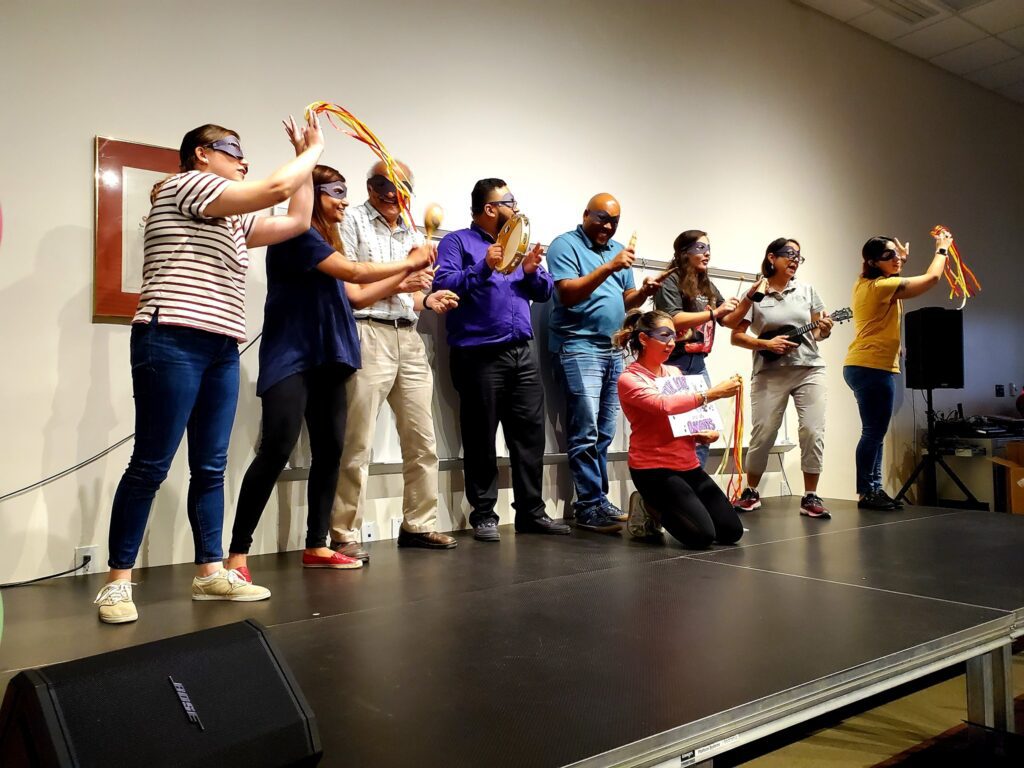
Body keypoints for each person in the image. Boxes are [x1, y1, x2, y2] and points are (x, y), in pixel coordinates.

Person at [94, 114, 325, 624]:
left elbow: (296, 221)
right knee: (152, 463)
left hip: (221, 345)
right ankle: (117, 582)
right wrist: (311, 152)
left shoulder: (232, 214)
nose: (242, 159)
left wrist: (306, 164)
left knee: (211, 465)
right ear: (200, 153)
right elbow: (276, 187)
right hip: (170, 336)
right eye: (230, 149)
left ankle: (210, 572)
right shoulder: (186, 185)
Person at [225, 165, 438, 583]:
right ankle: (236, 554)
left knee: (330, 452)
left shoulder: (329, 240)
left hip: (331, 356)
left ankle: (317, 545)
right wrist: (407, 263)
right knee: (276, 450)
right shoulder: (298, 235)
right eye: (334, 191)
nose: (343, 199)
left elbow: (357, 296)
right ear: (311, 194)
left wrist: (404, 277)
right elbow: (356, 274)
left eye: (344, 191)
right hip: (292, 356)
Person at [329, 160, 460, 559]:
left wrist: (427, 298)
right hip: (366, 331)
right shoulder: (349, 221)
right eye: (381, 183)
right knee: (357, 441)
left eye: (399, 184)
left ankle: (419, 524)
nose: (389, 191)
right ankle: (343, 532)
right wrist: (404, 281)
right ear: (368, 186)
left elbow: (410, 295)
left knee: (422, 440)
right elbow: (352, 280)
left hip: (409, 334)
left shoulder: (413, 230)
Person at [433, 178, 570, 541]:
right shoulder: (457, 241)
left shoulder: (517, 243)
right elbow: (442, 285)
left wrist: (530, 272)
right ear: (491, 208)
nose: (516, 207)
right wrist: (485, 267)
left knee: (529, 436)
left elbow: (542, 292)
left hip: (522, 352)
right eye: (510, 201)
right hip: (478, 354)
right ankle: (483, 515)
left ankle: (531, 512)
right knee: (480, 436)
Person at [545, 193, 660, 532]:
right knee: (586, 429)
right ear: (585, 215)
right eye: (602, 219)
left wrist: (644, 292)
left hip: (613, 348)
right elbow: (567, 293)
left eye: (614, 222)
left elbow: (627, 301)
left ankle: (597, 499)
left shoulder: (617, 248)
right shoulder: (564, 246)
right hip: (577, 346)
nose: (608, 227)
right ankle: (587, 506)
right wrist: (609, 265)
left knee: (605, 432)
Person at [615, 310, 744, 549]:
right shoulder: (629, 379)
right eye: (664, 336)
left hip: (687, 464)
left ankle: (658, 503)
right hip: (653, 468)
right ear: (643, 339)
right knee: (701, 536)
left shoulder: (674, 373)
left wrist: (702, 431)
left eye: (674, 337)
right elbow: (662, 405)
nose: (671, 343)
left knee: (731, 532)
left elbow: (683, 416)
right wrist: (712, 393)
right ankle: (647, 505)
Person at [843, 230, 953, 510]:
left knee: (876, 432)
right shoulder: (881, 286)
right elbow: (932, 279)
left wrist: (898, 257)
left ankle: (874, 489)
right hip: (871, 367)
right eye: (887, 255)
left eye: (896, 254)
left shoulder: (866, 283)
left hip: (865, 365)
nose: (895, 259)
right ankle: (868, 491)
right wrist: (942, 249)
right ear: (872, 262)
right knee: (873, 432)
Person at [729, 238, 835, 517]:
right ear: (771, 257)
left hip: (809, 369)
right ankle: (751, 492)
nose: (795, 260)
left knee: (813, 430)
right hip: (769, 372)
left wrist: (824, 329)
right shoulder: (756, 294)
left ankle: (810, 496)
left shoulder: (808, 291)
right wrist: (767, 344)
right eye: (789, 254)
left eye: (799, 256)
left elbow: (817, 334)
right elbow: (736, 336)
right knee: (763, 433)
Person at [654, 230, 760, 467]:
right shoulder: (671, 280)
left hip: (699, 364)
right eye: (701, 248)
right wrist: (714, 312)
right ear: (684, 252)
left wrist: (748, 299)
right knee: (675, 431)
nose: (707, 253)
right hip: (674, 364)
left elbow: (729, 321)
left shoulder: (706, 285)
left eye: (708, 248)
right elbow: (672, 319)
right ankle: (674, 490)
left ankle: (696, 484)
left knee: (703, 431)